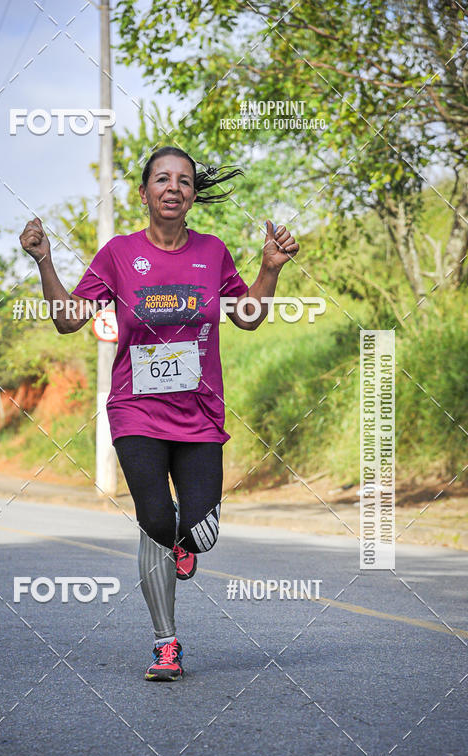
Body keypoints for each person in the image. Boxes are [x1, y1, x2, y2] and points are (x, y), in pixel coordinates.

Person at [19, 146, 299, 681]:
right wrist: (44, 261)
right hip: (136, 412)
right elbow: (68, 320)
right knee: (153, 522)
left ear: (193, 195)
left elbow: (247, 318)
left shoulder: (213, 252)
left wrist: (269, 269)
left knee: (202, 531)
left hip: (199, 415)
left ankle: (183, 543)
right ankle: (165, 644)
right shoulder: (119, 254)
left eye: (185, 181)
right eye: (162, 179)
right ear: (145, 191)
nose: (174, 188)